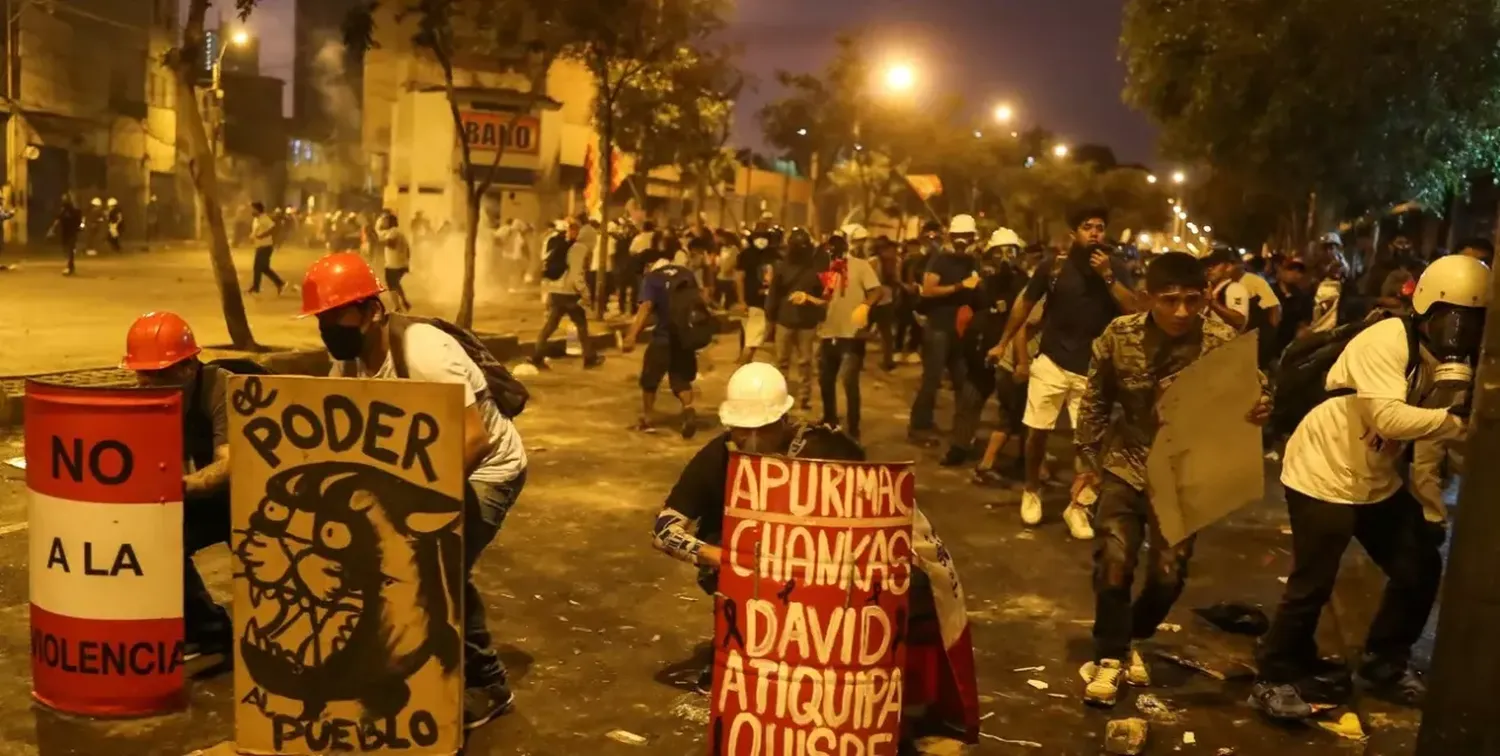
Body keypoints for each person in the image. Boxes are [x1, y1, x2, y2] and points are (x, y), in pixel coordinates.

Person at [650, 362, 981, 743]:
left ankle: (898, 698)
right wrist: (722, 557)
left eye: (764, 429)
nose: (753, 440)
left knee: (917, 586)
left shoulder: (829, 449)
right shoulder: (718, 456)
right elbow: (664, 529)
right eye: (744, 430)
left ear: (785, 419)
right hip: (753, 580)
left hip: (829, 578)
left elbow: (874, 522)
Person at [1252, 254, 1490, 719]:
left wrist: (1437, 478)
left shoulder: (1459, 364)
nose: (1459, 334)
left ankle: (1385, 661)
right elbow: (1390, 417)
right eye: (1452, 318)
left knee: (1419, 565)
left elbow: (1434, 435)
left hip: (1375, 477)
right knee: (1313, 582)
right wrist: (1458, 424)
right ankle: (1274, 674)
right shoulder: (1387, 338)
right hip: (1323, 468)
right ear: (1426, 307)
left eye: (1473, 321)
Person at [301, 252, 528, 728]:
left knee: (438, 568)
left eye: (336, 315)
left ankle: (488, 684)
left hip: (487, 469)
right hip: (415, 471)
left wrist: (416, 506)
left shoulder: (423, 352)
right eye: (321, 318)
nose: (327, 327)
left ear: (372, 311)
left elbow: (474, 440)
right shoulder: (347, 362)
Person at [1075, 252, 1272, 706]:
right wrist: (1086, 461)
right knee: (1114, 560)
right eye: (1169, 301)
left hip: (1184, 473)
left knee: (1168, 575)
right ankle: (1109, 656)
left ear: (1205, 296)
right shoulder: (1119, 336)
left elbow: (1257, 391)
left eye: (1191, 300)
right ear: (1148, 299)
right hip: (1126, 461)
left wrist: (1262, 404)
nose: (1182, 312)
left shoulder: (1222, 340)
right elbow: (1095, 399)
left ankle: (1131, 637)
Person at [995, 208, 1138, 537]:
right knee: (1036, 433)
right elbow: (1025, 304)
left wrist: (1107, 276)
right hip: (1051, 361)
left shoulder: (1116, 268)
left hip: (1093, 369)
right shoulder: (1054, 266)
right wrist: (1003, 342)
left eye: (1100, 227)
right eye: (1087, 227)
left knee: (1089, 445)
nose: (1095, 233)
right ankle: (1031, 490)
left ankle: (1079, 506)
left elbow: (1132, 308)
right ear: (1074, 233)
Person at [121, 311, 242, 662]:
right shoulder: (153, 400)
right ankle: (210, 631)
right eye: (140, 373)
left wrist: (179, 486)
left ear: (189, 368)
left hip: (252, 495)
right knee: (157, 540)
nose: (144, 383)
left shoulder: (222, 388)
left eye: (156, 374)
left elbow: (232, 463)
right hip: (205, 492)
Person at [945, 228, 1028, 468]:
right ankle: (959, 447)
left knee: (1016, 407)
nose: (1004, 257)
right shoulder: (982, 283)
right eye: (999, 252)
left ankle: (1025, 457)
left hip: (1011, 352)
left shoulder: (1025, 283)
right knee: (970, 401)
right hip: (982, 351)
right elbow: (967, 313)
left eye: (1010, 251)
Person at [908, 215, 981, 445]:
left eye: (966, 237)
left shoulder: (973, 262)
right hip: (939, 327)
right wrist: (960, 286)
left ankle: (962, 432)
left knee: (963, 381)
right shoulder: (940, 260)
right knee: (932, 379)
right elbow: (928, 290)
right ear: (951, 237)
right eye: (958, 237)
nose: (962, 241)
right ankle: (919, 427)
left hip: (961, 329)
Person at [623, 258, 706, 437]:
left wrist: (632, 335)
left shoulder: (653, 279)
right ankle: (688, 409)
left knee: (649, 380)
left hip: (663, 338)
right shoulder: (686, 274)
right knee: (681, 379)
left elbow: (646, 308)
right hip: (685, 338)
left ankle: (647, 418)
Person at [816, 233, 882, 439]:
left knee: (848, 380)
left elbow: (876, 290)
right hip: (828, 332)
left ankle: (853, 427)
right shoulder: (824, 268)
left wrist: (866, 306)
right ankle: (829, 420)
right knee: (825, 380)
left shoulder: (860, 266)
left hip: (852, 334)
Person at [767, 228, 827, 409]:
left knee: (805, 362)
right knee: (783, 362)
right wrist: (770, 318)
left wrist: (808, 299)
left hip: (806, 322)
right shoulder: (782, 267)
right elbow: (774, 294)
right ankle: (781, 395)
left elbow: (823, 294)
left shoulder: (816, 268)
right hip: (786, 320)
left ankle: (803, 398)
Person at [532, 218, 603, 370]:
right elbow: (576, 275)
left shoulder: (569, 246)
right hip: (568, 294)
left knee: (550, 326)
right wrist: (585, 294)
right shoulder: (579, 248)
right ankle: (589, 358)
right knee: (581, 325)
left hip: (556, 291)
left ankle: (537, 356)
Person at [734, 223, 777, 363]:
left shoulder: (773, 254)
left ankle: (743, 366)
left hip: (769, 302)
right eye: (758, 236)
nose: (761, 240)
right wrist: (741, 301)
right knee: (752, 341)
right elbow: (739, 278)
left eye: (764, 237)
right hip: (753, 302)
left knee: (752, 339)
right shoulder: (746, 255)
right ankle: (742, 369)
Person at [894, 235, 933, 364]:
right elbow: (898, 276)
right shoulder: (904, 260)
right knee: (902, 323)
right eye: (911, 247)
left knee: (916, 324)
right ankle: (898, 349)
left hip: (918, 295)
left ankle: (913, 349)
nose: (913, 249)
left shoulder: (923, 260)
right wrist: (904, 286)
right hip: (905, 295)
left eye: (915, 246)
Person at [1203, 247, 1251, 332]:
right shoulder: (1213, 289)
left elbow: (1239, 320)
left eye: (1214, 264)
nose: (1210, 268)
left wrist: (1213, 303)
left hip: (1227, 344)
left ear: (1229, 267)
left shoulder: (1235, 288)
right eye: (1208, 265)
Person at [376, 209, 413, 312]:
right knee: (395, 284)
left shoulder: (393, 232)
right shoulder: (398, 232)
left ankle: (397, 307)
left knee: (391, 285)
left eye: (386, 220)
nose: (384, 222)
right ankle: (404, 301)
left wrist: (380, 241)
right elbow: (408, 249)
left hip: (393, 265)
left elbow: (390, 243)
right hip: (400, 264)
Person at [246, 202, 285, 295]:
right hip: (259, 246)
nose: (251, 211)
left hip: (266, 246)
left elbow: (272, 227)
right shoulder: (256, 219)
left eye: (253, 209)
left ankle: (279, 283)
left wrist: (263, 235)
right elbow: (256, 231)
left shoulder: (264, 218)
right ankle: (257, 287)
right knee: (260, 268)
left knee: (261, 267)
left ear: (257, 209)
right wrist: (251, 237)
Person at [48, 194, 83, 276]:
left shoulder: (74, 211)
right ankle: (71, 266)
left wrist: (80, 228)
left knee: (70, 250)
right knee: (67, 250)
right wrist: (52, 229)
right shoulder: (63, 210)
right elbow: (58, 220)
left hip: (71, 233)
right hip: (66, 233)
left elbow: (80, 221)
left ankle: (70, 267)